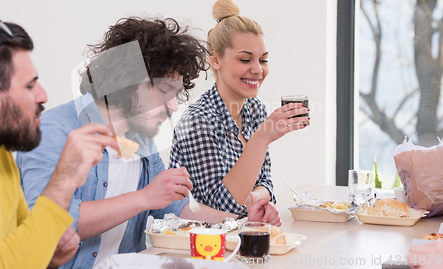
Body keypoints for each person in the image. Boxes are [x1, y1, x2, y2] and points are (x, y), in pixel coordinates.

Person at [16, 17, 281, 269]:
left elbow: (178, 208)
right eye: (165, 91)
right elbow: (48, 225)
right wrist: (144, 198)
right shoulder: (52, 131)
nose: (173, 107)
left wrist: (243, 222)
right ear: (126, 81)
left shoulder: (138, 136)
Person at [0, 17, 115, 268]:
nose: (43, 95)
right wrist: (64, 179)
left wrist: (47, 257)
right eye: (30, 85)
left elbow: (18, 250)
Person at [169, 0, 310, 215]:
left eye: (263, 60)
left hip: (242, 236)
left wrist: (250, 199)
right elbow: (221, 209)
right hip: (200, 242)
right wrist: (262, 137)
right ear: (215, 61)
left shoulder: (255, 109)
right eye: (245, 60)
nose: (258, 70)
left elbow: (266, 184)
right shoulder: (197, 121)